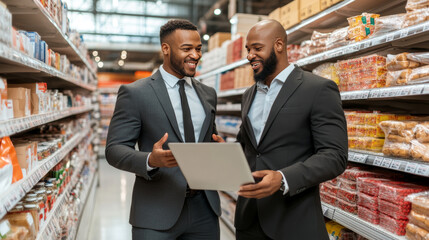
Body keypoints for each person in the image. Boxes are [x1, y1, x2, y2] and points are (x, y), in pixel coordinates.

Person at [105, 19, 221, 240]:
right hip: (155, 212)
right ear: (165, 49)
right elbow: (114, 150)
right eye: (186, 49)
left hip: (204, 211)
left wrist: (220, 150)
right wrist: (150, 160)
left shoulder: (208, 94)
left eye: (198, 49)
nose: (195, 55)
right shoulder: (136, 93)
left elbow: (207, 143)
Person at [234, 19, 348, 239]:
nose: (250, 56)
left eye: (257, 48)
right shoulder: (249, 94)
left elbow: (335, 156)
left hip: (294, 221)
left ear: (279, 45)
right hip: (248, 221)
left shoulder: (317, 89)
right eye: (248, 50)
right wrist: (227, 152)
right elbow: (250, 148)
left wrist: (283, 177)